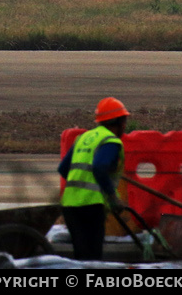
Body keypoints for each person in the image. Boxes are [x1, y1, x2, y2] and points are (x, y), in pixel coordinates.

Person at [58, 97, 129, 261]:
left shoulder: (83, 138)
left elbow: (63, 169)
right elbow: (99, 167)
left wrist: (79, 184)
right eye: (124, 121)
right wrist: (112, 197)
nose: (125, 126)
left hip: (69, 205)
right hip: (91, 206)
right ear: (117, 122)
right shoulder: (110, 141)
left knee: (80, 256)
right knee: (93, 257)